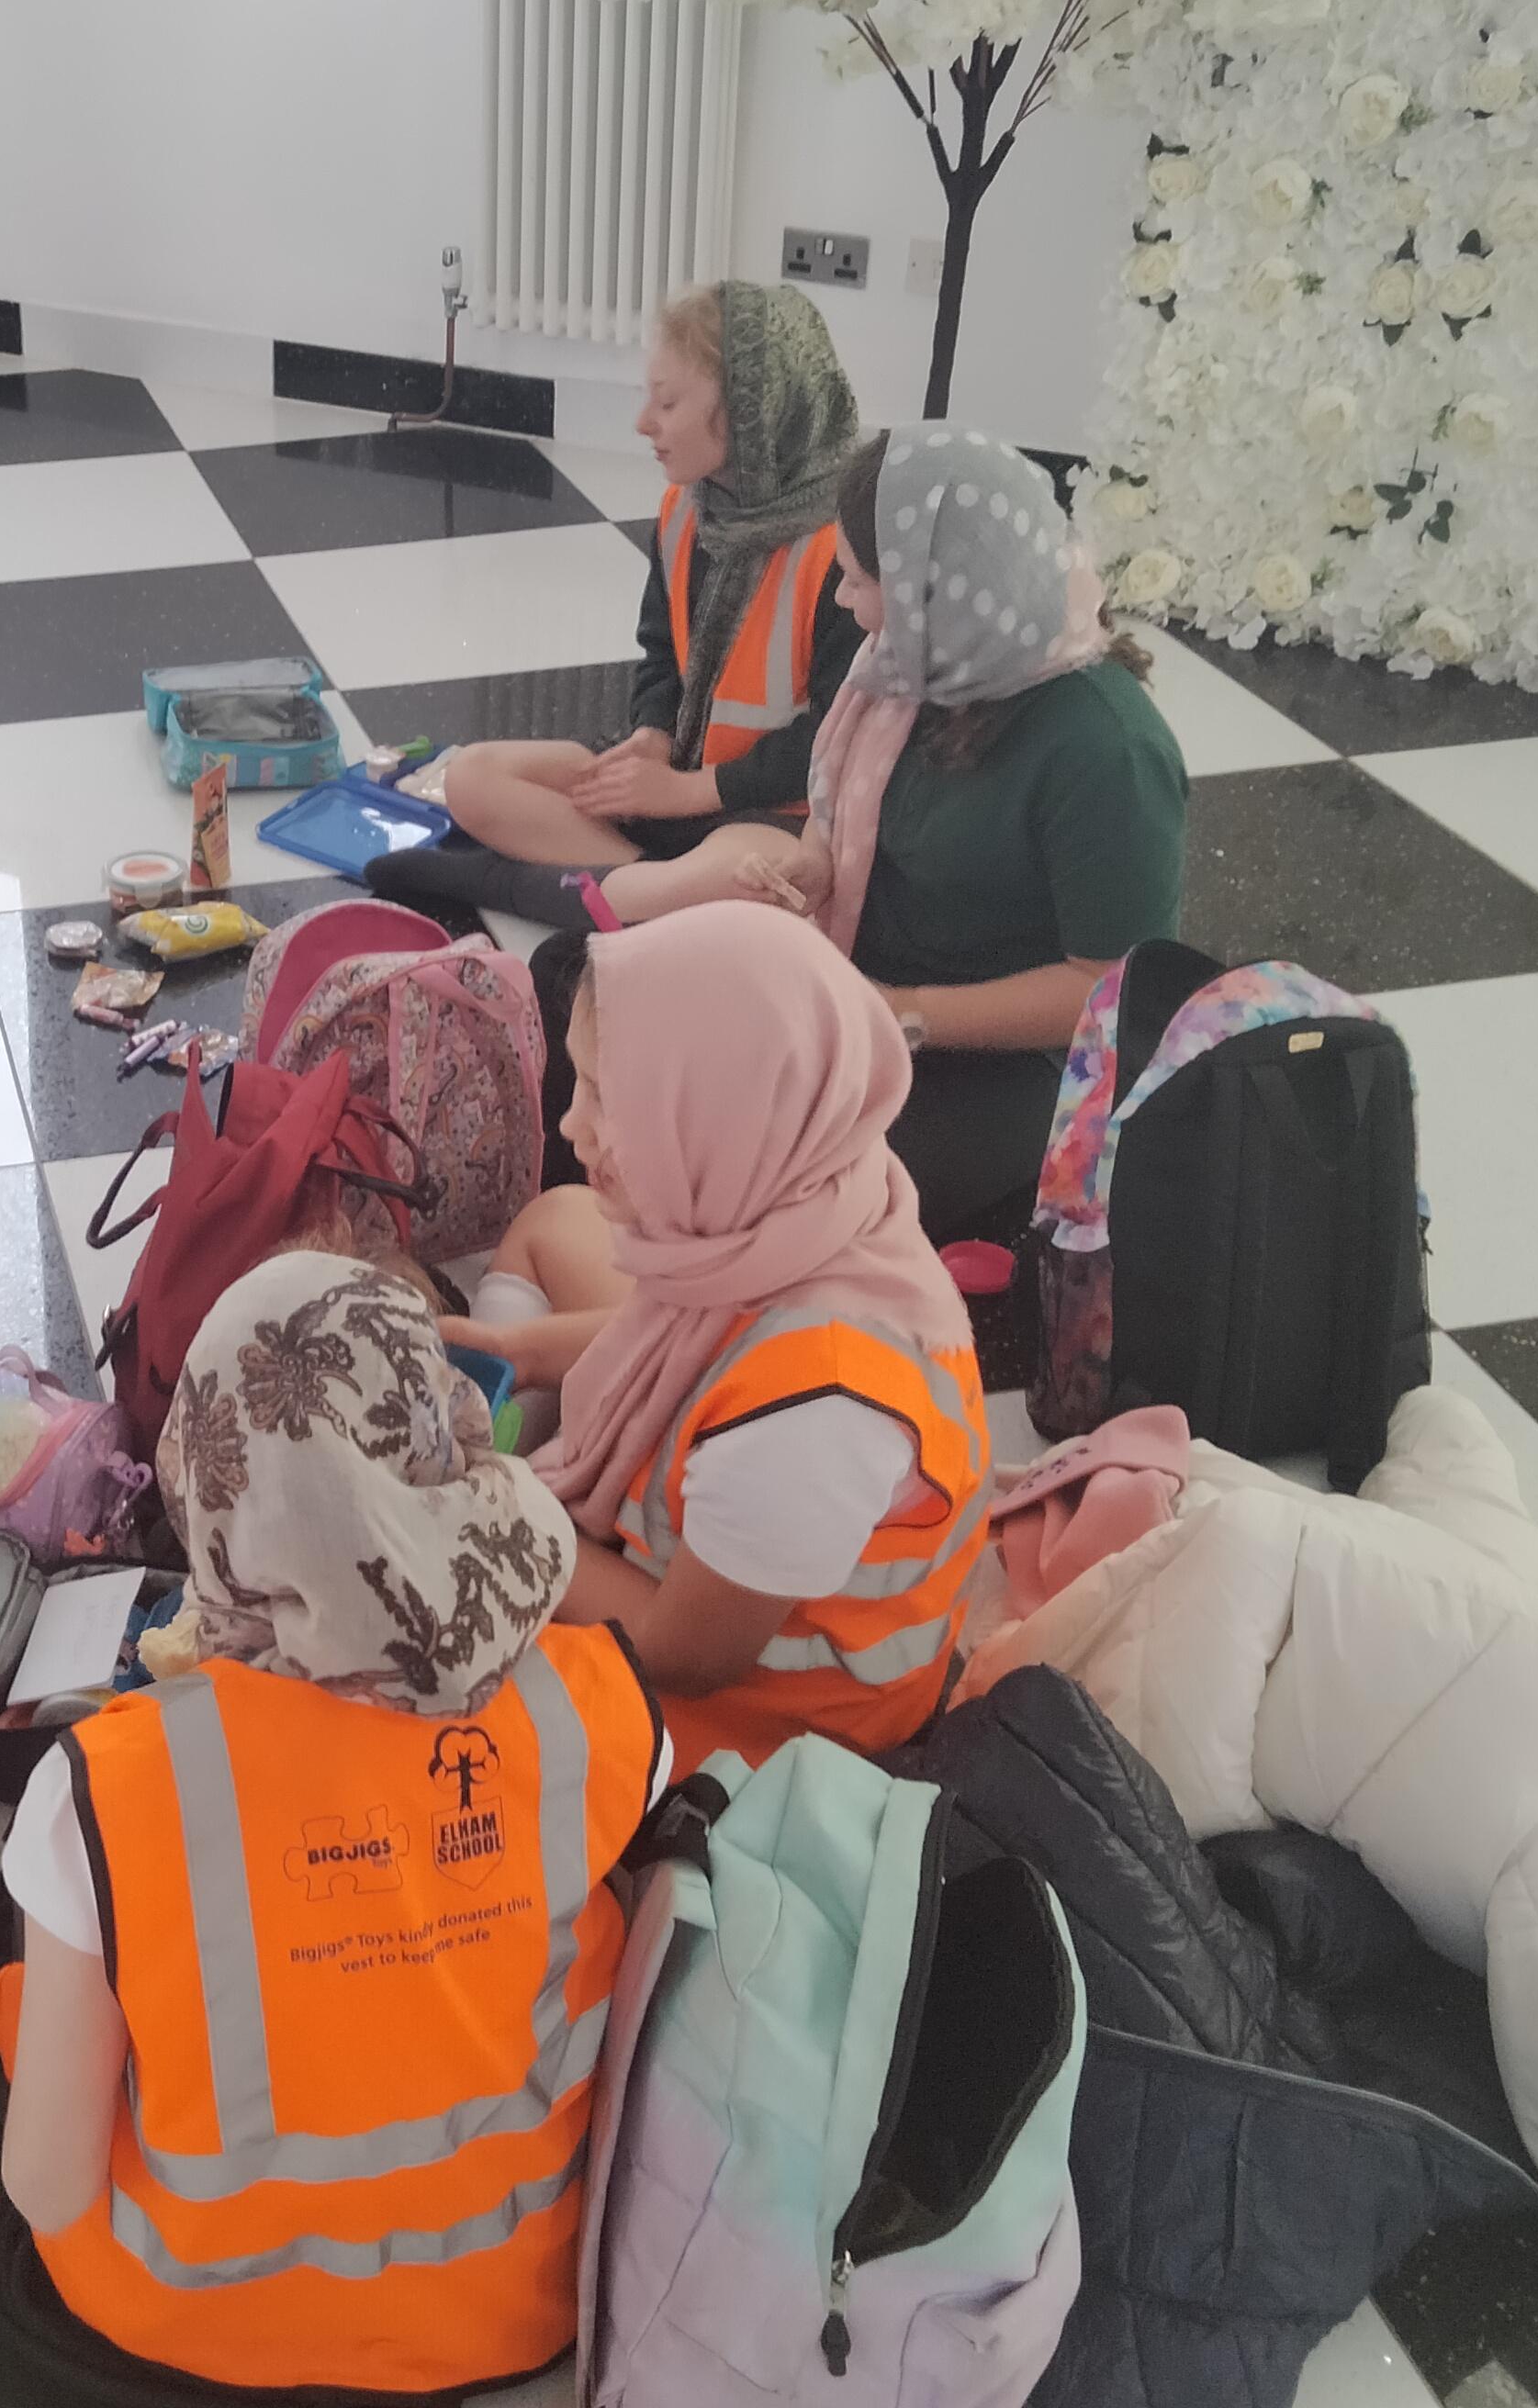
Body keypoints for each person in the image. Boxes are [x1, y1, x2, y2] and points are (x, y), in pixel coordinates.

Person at [0, 1251, 664, 2398]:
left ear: (205, 1482)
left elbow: (44, 2190)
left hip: (181, 2314)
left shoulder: (101, 1789)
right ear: (441, 1441)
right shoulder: (598, 1705)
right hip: (512, 2306)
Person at [467, 905, 994, 1777]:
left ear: (717, 1117)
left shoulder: (813, 1421)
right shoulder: (806, 1193)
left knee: (414, 1693)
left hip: (758, 1727)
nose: (571, 1126)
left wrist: (486, 1508)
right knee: (561, 1221)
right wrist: (514, 1349)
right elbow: (695, 1335)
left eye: (605, 1095)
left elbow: (682, 1655)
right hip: (719, 1545)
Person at [793, 425, 1189, 1241]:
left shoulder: (1106, 749)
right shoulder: (920, 667)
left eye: (858, 580)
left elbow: (1107, 990)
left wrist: (905, 1013)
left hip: (1019, 1063)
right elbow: (866, 831)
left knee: (796, 1190)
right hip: (882, 996)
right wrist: (814, 865)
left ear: (936, 591)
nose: (841, 600)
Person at [384, 279, 862, 929]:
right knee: (471, 778)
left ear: (752, 416)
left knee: (760, 876)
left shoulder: (839, 552)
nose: (643, 423)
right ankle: (644, 892)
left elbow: (832, 742)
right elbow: (660, 653)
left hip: (766, 813)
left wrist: (688, 792)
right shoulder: (684, 511)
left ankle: (539, 885)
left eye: (667, 402)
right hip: (671, 781)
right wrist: (651, 737)